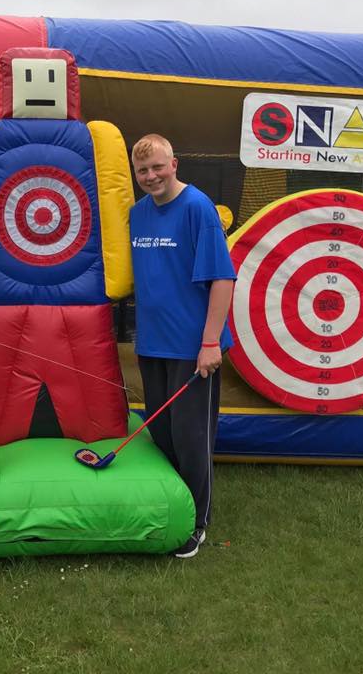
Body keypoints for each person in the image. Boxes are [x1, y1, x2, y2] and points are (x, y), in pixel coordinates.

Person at [129, 133, 236, 559]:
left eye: (157, 166)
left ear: (174, 163)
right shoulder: (137, 214)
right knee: (162, 431)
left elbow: (222, 279)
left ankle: (196, 522)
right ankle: (172, 504)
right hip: (153, 344)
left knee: (191, 436)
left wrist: (210, 342)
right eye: (143, 171)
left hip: (193, 348)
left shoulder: (197, 208)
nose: (151, 176)